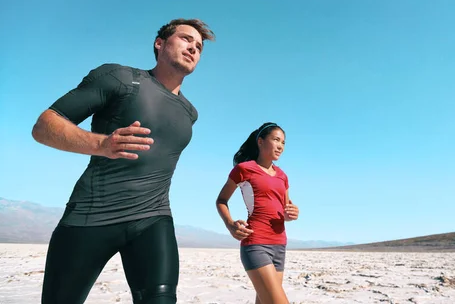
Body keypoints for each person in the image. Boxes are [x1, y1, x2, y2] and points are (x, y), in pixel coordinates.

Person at [31, 18, 215, 304]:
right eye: (185, 39)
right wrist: (102, 144)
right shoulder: (120, 78)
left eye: (199, 47)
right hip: (91, 217)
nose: (193, 48)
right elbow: (44, 125)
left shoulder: (190, 112)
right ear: (160, 43)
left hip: (153, 218)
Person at [216, 122, 300, 304]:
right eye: (276, 140)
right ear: (260, 142)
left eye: (284, 142)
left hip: (279, 244)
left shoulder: (283, 176)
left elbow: (285, 209)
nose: (280, 146)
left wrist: (292, 213)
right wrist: (230, 224)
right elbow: (221, 200)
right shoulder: (244, 169)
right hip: (256, 244)